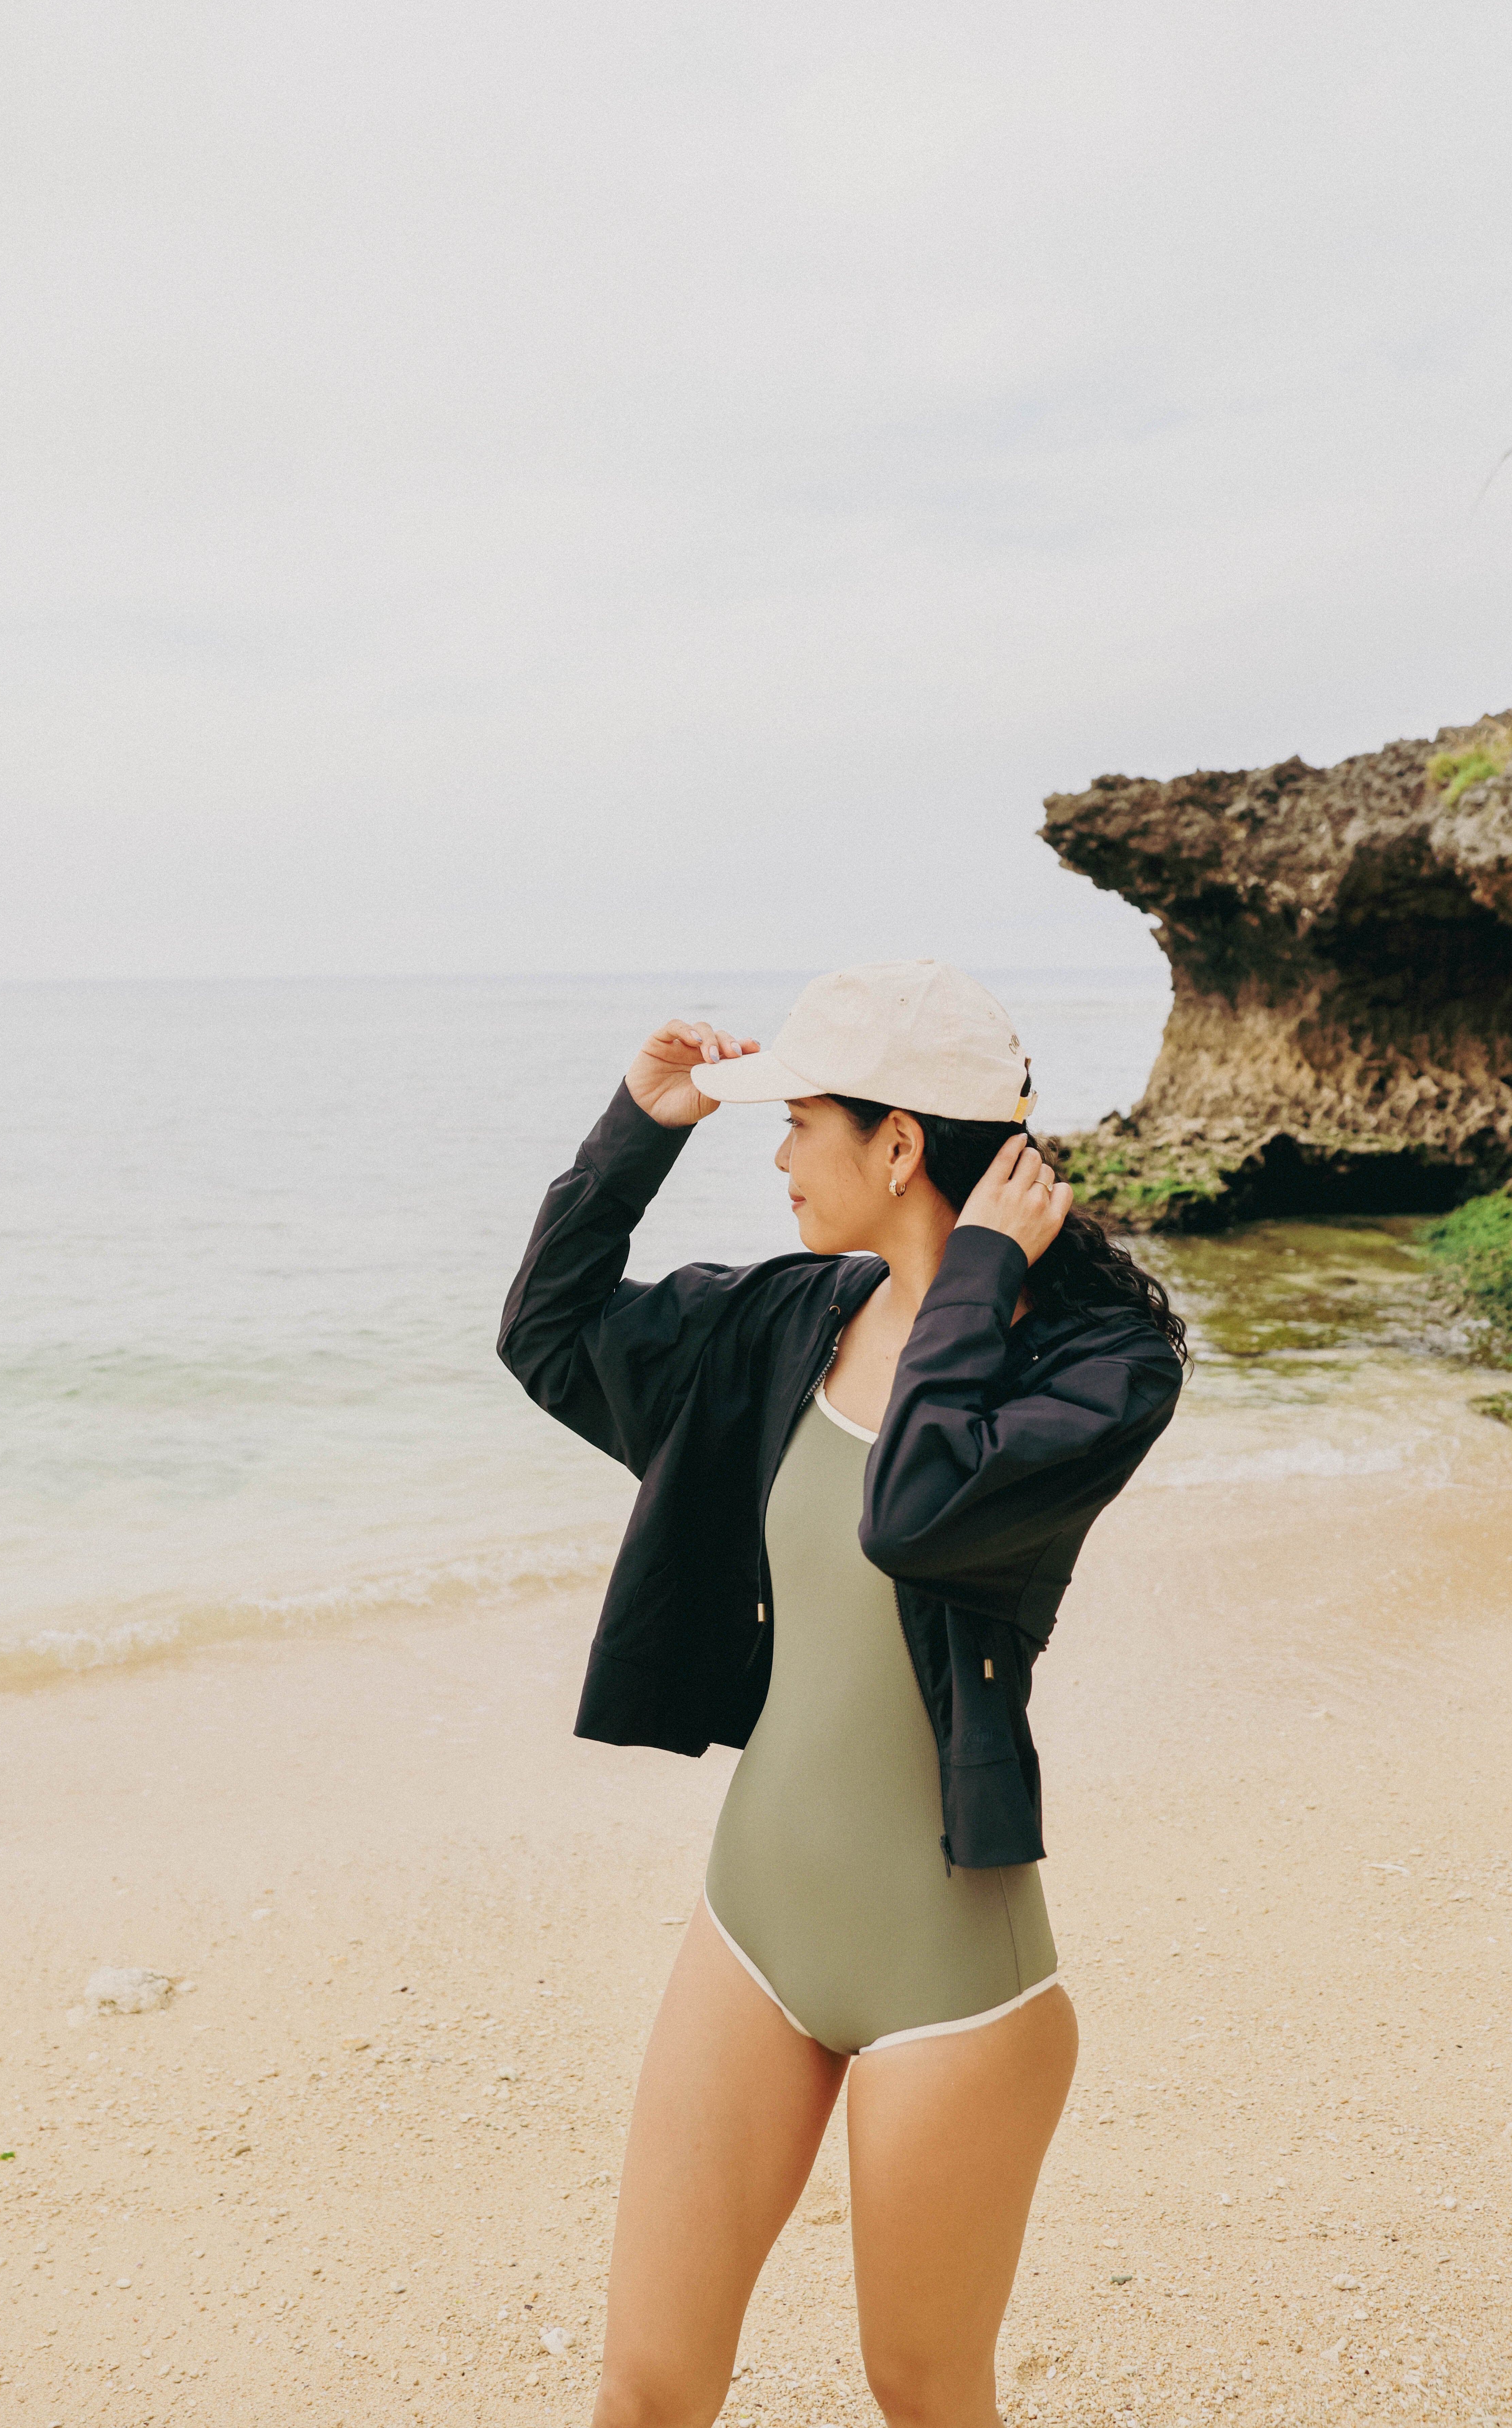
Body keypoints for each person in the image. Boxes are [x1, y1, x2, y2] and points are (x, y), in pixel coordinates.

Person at [498, 959, 1187, 2428]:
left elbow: (914, 1515)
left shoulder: (1098, 1369)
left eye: (801, 1124)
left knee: (923, 2391)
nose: (779, 1158)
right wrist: (638, 1128)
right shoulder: (789, 1321)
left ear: (896, 1146)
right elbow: (549, 1335)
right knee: (645, 2387)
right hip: (751, 1927)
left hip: (952, 1985)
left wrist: (977, 1275)